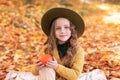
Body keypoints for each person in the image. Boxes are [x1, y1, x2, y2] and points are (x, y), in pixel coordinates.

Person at [31, 7, 85, 80]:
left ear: (72, 30)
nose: (62, 31)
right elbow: (34, 72)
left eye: (66, 27)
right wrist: (37, 68)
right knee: (46, 68)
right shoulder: (47, 48)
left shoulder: (78, 51)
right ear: (53, 32)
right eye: (58, 28)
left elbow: (75, 75)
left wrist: (57, 67)